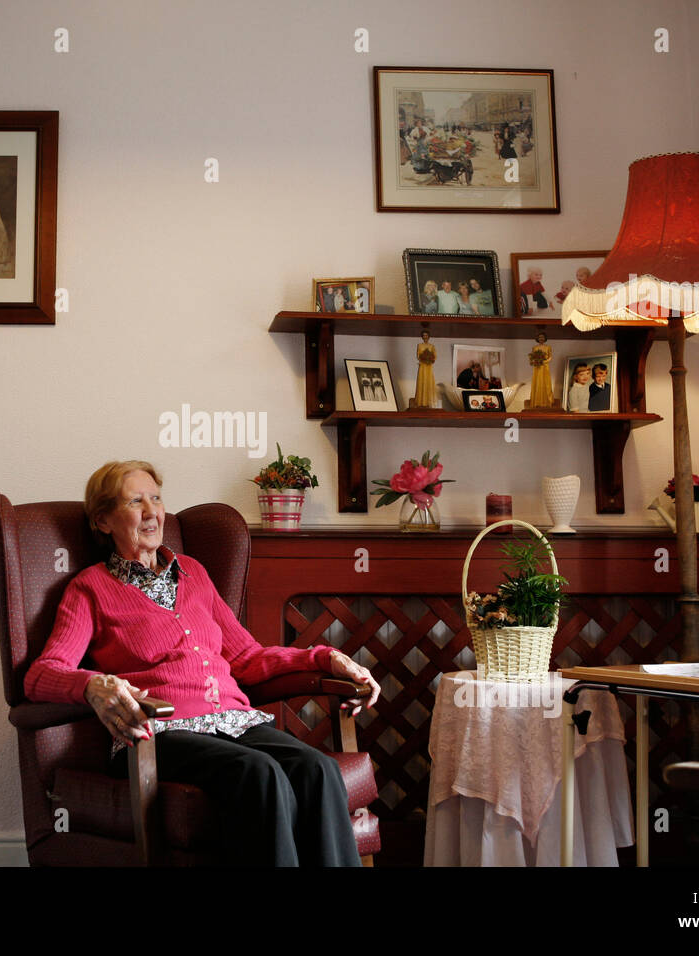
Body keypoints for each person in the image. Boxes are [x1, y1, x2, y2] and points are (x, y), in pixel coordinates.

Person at [25, 462, 378, 866]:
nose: (151, 511)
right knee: (259, 773)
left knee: (319, 770)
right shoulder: (90, 588)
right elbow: (41, 674)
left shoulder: (193, 572)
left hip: (233, 721)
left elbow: (245, 657)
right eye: (135, 500)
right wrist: (93, 685)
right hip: (157, 734)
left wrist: (326, 658)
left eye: (155, 498)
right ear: (103, 520)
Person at [528, 332, 554, 408]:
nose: (541, 339)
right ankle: (536, 402)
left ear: (545, 338)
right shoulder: (534, 348)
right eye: (539, 337)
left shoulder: (548, 347)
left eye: (542, 337)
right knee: (537, 382)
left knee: (546, 383)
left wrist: (544, 361)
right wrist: (535, 361)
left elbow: (550, 357)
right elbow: (532, 358)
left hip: (545, 367)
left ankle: (547, 402)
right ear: (537, 339)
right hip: (537, 367)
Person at [412, 331, 437, 408]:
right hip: (422, 366)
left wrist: (430, 359)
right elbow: (418, 355)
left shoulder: (432, 346)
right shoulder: (419, 345)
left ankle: (429, 401)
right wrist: (423, 358)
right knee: (421, 381)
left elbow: (435, 356)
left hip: (429, 366)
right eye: (423, 335)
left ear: (429, 336)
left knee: (428, 381)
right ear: (422, 337)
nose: (425, 337)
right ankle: (421, 401)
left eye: (426, 335)